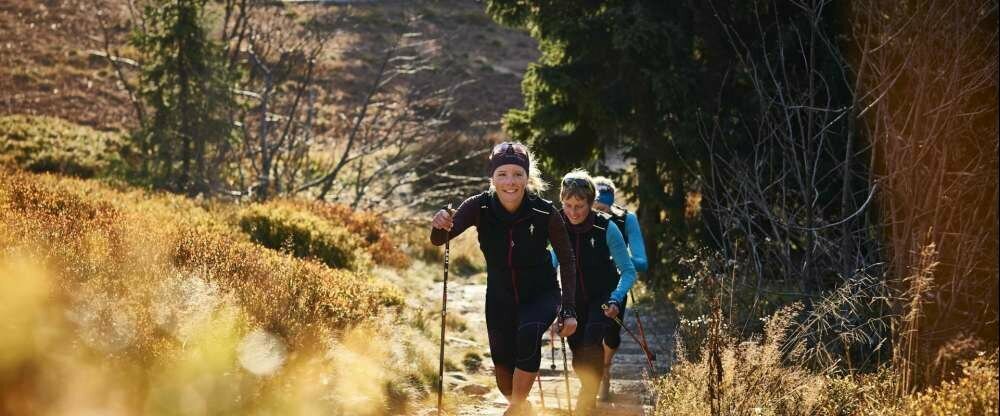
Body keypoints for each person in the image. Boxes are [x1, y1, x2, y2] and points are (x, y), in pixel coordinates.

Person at [430, 141, 578, 416]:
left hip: (541, 293)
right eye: (502, 174)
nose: (510, 182)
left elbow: (568, 260)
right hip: (499, 298)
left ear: (527, 177)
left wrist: (568, 309)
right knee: (502, 372)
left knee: (529, 333)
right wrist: (439, 223)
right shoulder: (478, 207)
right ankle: (519, 402)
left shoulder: (545, 212)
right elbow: (442, 238)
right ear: (492, 178)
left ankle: (517, 407)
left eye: (517, 174)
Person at [555, 170, 637, 415]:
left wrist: (616, 297)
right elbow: (550, 263)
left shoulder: (606, 228)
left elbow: (628, 271)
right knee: (579, 356)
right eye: (568, 205)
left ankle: (585, 402)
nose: (573, 212)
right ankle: (589, 386)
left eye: (579, 206)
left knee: (592, 343)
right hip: (572, 299)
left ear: (590, 203)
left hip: (602, 297)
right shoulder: (557, 224)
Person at [591, 176, 648, 401]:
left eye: (602, 209)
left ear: (611, 206)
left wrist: (619, 258)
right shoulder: (576, 215)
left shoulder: (626, 220)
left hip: (616, 283)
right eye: (594, 208)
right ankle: (590, 380)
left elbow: (642, 261)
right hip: (585, 282)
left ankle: (605, 367)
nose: (597, 215)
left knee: (611, 336)